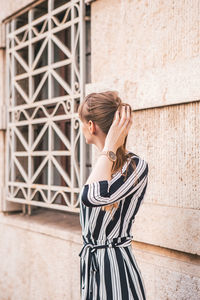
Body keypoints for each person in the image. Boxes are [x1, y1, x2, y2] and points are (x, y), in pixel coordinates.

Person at [78, 91, 149, 300]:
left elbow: (92, 197)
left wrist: (109, 146)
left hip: (115, 267)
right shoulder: (102, 165)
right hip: (93, 266)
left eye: (81, 123)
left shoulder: (135, 166)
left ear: (91, 126)